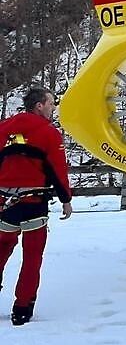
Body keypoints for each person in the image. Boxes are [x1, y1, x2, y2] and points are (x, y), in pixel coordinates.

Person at [0, 86, 73, 327]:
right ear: (39, 105)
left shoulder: (4, 128)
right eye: (51, 104)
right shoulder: (49, 133)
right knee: (32, 258)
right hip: (33, 204)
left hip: (5, 204)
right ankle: (22, 309)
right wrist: (65, 199)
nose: (53, 108)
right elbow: (58, 170)